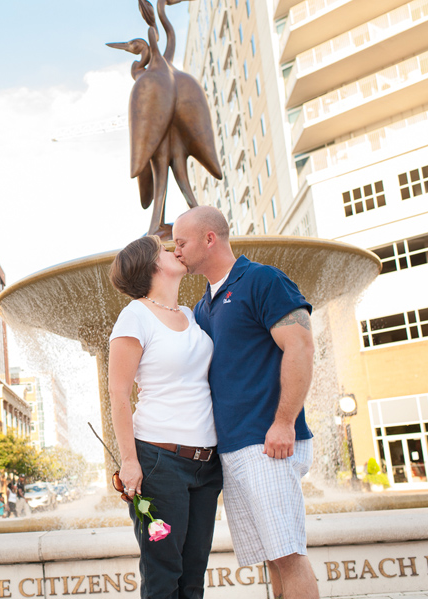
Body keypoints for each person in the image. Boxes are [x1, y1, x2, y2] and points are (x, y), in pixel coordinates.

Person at [172, 206, 318, 599]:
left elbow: (301, 346)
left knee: (288, 554)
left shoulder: (262, 280)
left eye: (181, 242)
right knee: (273, 557)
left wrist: (284, 422)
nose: (176, 251)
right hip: (234, 450)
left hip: (268, 441)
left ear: (209, 238)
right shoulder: (204, 306)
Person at [108, 235, 222, 599]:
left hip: (206, 464)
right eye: (163, 249)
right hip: (160, 462)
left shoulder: (188, 314)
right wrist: (129, 462)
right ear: (151, 264)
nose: (174, 250)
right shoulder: (135, 315)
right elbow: (118, 394)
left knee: (193, 577)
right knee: (163, 575)